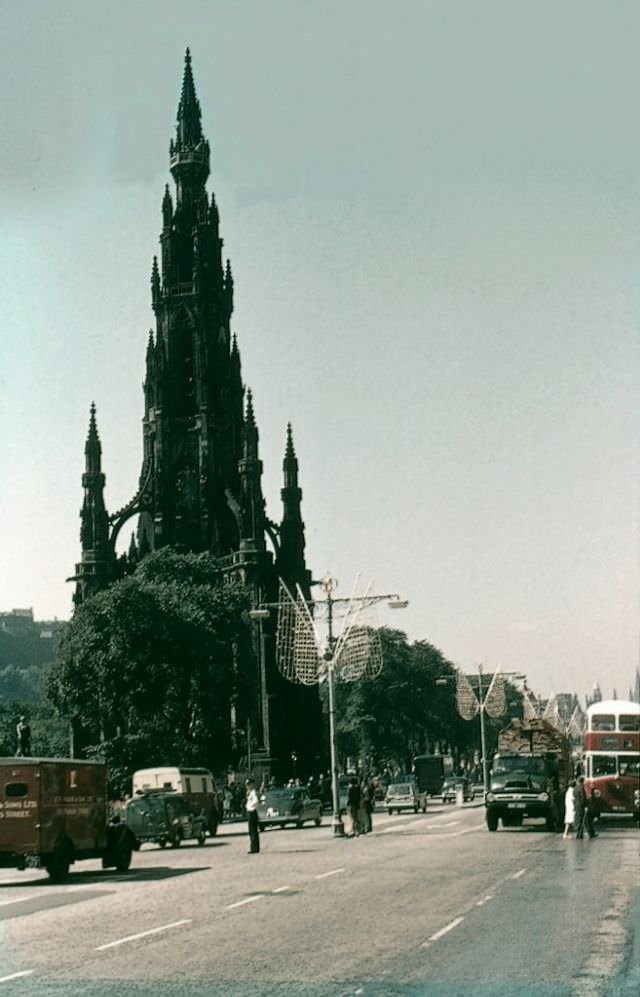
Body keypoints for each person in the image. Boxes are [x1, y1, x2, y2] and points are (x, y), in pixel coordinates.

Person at [245, 778, 260, 854]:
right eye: (247, 785)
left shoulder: (253, 793)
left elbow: (256, 801)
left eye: (248, 784)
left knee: (253, 831)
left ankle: (254, 848)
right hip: (250, 812)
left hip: (252, 812)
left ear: (251, 785)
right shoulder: (249, 792)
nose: (247, 786)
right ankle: (255, 847)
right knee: (252, 831)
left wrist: (251, 806)